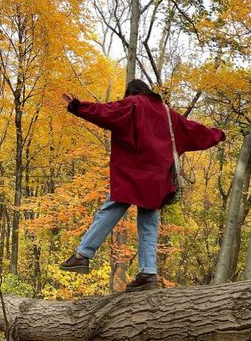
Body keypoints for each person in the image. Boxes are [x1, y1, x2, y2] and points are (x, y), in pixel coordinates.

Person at [59, 79, 225, 291]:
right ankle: (148, 272)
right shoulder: (167, 113)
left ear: (131, 92)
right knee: (148, 223)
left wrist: (78, 107)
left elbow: (105, 112)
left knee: (111, 208)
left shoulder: (133, 104)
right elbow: (194, 130)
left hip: (132, 174)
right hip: (157, 180)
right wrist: (218, 134)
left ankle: (83, 255)